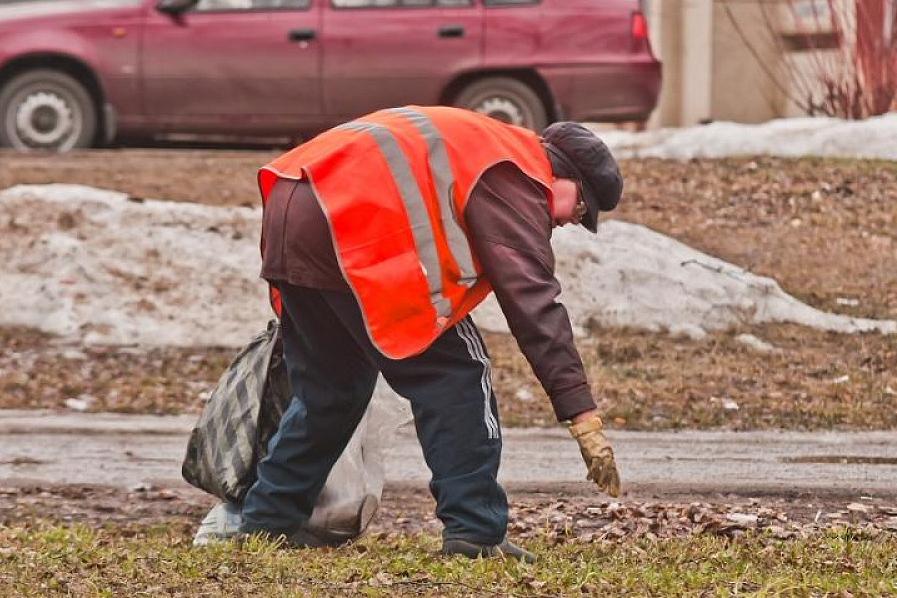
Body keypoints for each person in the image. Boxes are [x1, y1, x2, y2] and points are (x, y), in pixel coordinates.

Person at [235, 105, 622, 562]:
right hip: (353, 227)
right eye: (581, 207)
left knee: (331, 390)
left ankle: (266, 522)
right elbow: (534, 303)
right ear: (563, 174)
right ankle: (475, 531)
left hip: (292, 209)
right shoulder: (516, 173)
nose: (572, 221)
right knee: (459, 374)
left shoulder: (484, 143)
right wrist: (581, 413)